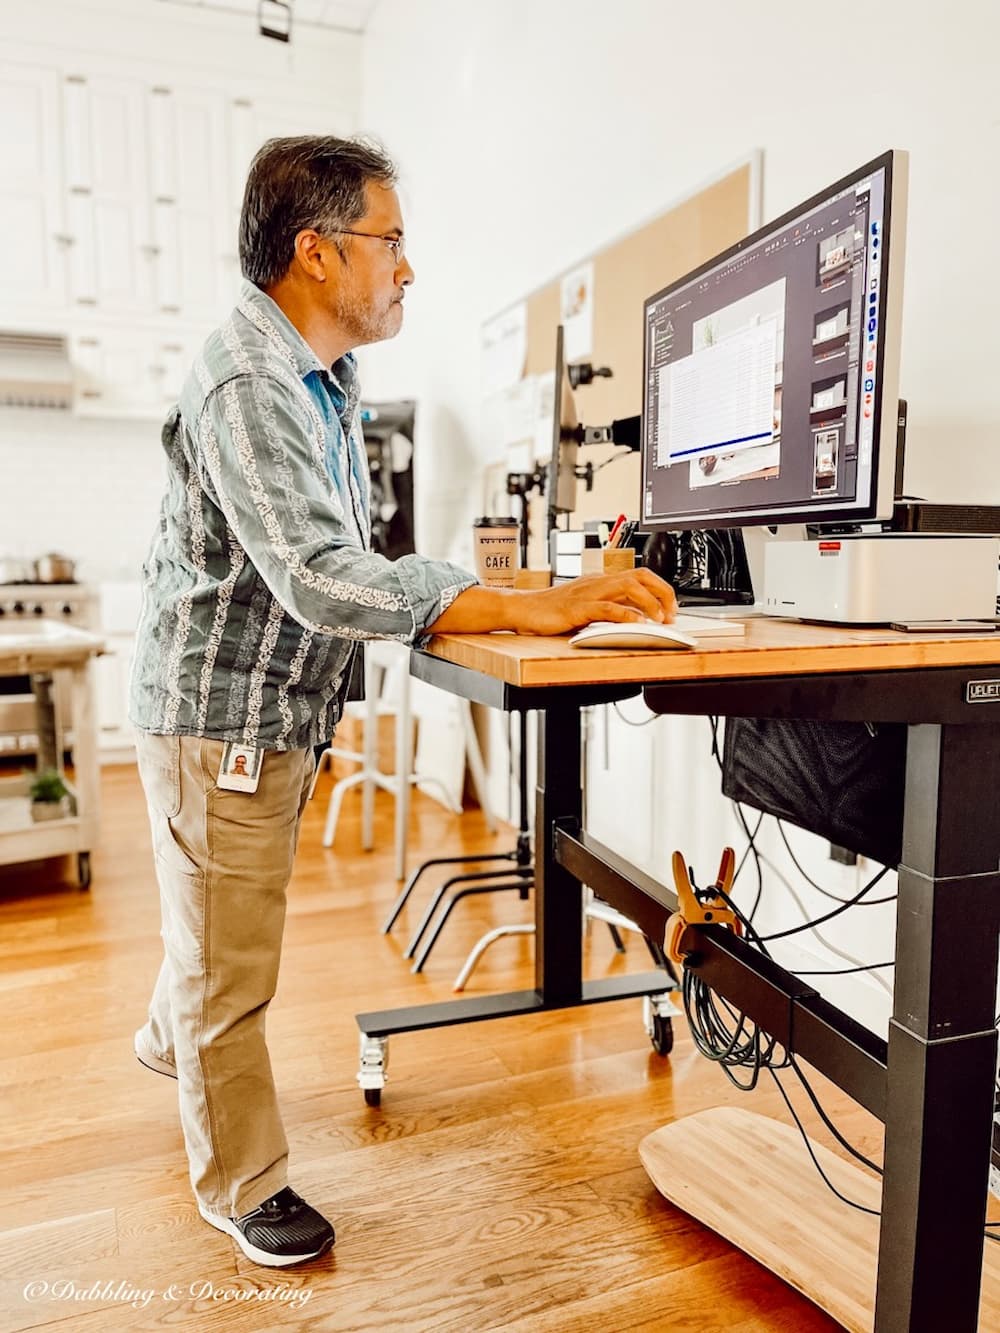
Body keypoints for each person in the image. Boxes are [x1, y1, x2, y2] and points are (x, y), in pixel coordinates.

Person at [128, 134, 677, 1269]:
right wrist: (521, 607)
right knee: (234, 968)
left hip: (268, 707)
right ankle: (241, 1180)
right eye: (392, 241)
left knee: (219, 919)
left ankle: (169, 1027)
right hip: (219, 713)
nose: (407, 269)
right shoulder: (251, 383)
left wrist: (501, 593)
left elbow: (343, 549)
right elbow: (319, 576)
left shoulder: (321, 377)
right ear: (315, 253)